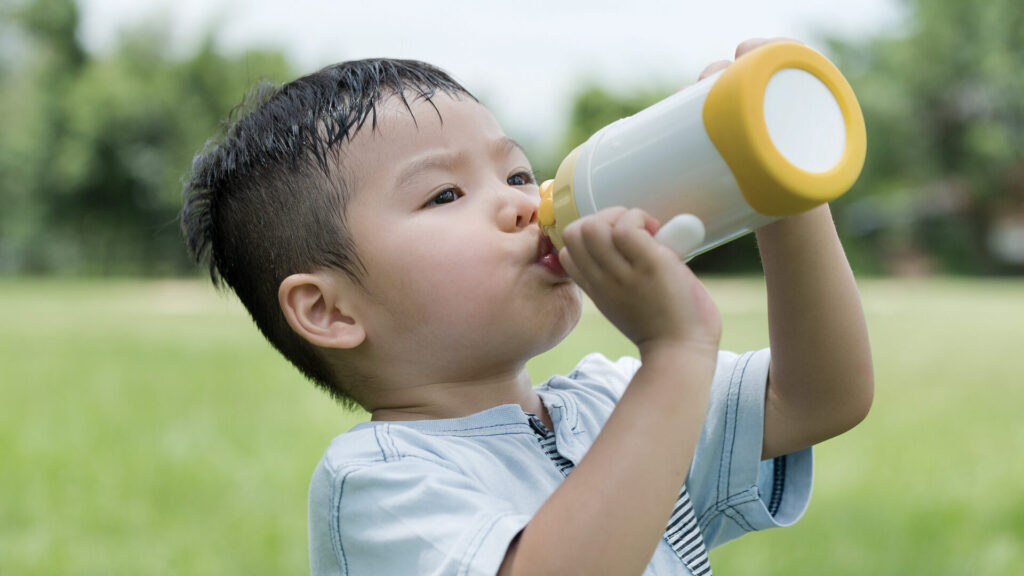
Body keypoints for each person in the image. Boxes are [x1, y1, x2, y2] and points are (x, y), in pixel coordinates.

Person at [180, 37, 873, 576]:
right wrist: (673, 356)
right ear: (329, 311)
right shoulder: (379, 480)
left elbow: (819, 398)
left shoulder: (609, 402)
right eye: (445, 195)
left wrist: (775, 189)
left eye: (515, 172)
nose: (520, 202)